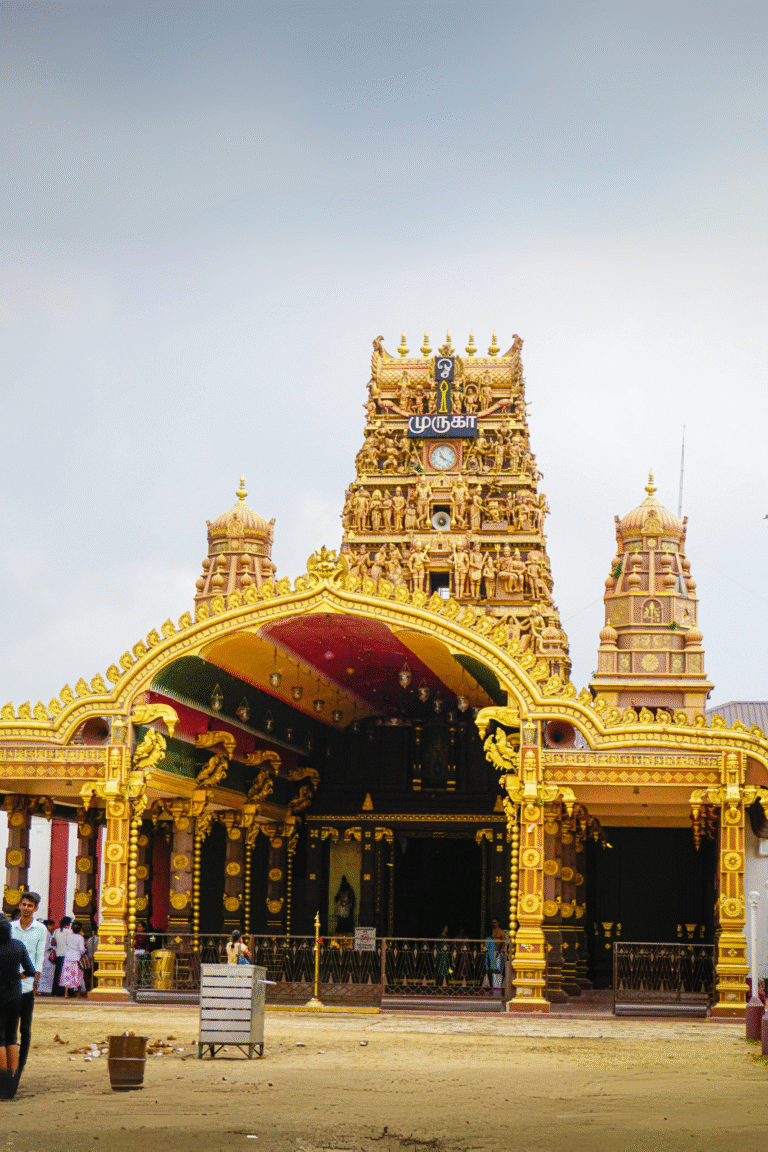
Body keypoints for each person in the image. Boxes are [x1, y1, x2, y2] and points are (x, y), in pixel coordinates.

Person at [10, 892, 46, 1077]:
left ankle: (21, 1065)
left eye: (30, 906)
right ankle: (11, 1064)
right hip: (9, 983)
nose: (26, 908)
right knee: (10, 1026)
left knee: (25, 1027)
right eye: (24, 904)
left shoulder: (40, 930)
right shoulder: (10, 927)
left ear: (35, 909)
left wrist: (36, 982)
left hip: (27, 983)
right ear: (20, 905)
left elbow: (40, 956)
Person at [0, 913, 35, 1098]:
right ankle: (11, 1084)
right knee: (12, 1037)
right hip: (16, 995)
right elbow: (30, 970)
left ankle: (1, 1084)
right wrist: (15, 977)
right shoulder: (18, 946)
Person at [59, 921, 87, 998]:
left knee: (67, 974)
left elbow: (66, 944)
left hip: (68, 957)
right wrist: (85, 949)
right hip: (76, 957)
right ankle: (78, 993)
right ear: (80, 929)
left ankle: (66, 993)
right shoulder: (80, 938)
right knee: (78, 975)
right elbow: (81, 949)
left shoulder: (68, 936)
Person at [51, 917, 72, 997]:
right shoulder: (70, 931)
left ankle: (56, 991)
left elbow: (53, 943)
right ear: (69, 923)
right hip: (67, 955)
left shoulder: (56, 931)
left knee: (58, 973)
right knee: (66, 974)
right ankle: (67, 991)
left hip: (58, 954)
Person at [37, 920, 55, 996]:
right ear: (48, 926)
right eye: (52, 926)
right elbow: (46, 946)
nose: (53, 928)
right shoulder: (46, 933)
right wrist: (53, 947)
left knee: (43, 974)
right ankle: (42, 990)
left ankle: (41, 990)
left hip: (41, 955)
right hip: (46, 955)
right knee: (45, 974)